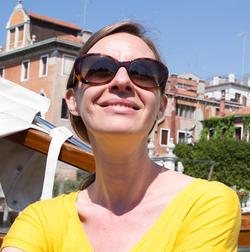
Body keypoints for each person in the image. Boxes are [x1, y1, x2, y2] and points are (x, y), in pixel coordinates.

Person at [1, 21, 240, 252]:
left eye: (143, 72)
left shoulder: (206, 203)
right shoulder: (40, 220)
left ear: (161, 107)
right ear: (72, 101)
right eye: (99, 69)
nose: (122, 81)